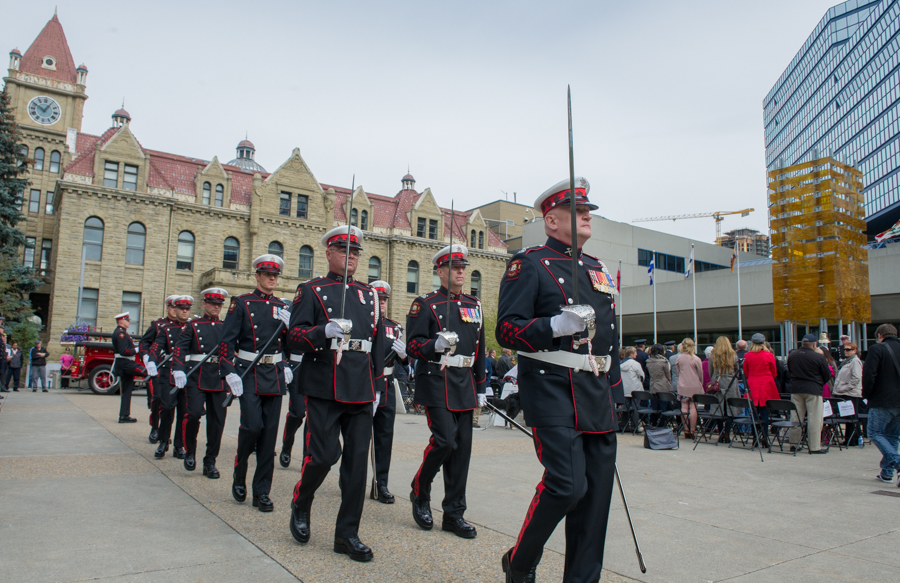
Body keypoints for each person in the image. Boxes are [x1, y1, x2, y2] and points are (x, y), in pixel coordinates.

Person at [496, 177, 621, 583]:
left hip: (596, 393)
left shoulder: (597, 269)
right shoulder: (529, 263)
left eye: (588, 210)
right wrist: (552, 325)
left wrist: (614, 391)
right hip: (552, 388)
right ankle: (520, 562)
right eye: (578, 210)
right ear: (551, 220)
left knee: (595, 501)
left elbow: (609, 337)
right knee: (567, 486)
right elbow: (507, 331)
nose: (587, 215)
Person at [286, 227, 385, 561]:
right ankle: (302, 500)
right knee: (324, 456)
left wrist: (378, 387)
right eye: (344, 251)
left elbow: (377, 344)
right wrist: (320, 332)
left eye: (355, 252)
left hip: (360, 387)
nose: (351, 257)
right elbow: (293, 338)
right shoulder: (311, 290)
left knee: (357, 467)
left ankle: (347, 535)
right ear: (328, 252)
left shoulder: (369, 295)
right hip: (325, 384)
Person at [407, 243, 486, 543]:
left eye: (463, 267)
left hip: (464, 383)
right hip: (436, 380)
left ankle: (454, 514)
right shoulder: (425, 304)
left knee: (461, 451)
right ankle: (420, 488)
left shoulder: (474, 305)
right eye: (454, 267)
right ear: (440, 271)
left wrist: (481, 387)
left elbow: (478, 351)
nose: (461, 272)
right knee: (444, 441)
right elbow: (413, 344)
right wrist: (433, 346)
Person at [171, 288, 229, 477]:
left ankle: (210, 461)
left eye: (219, 304)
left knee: (217, 422)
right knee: (194, 414)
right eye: (212, 303)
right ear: (204, 304)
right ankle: (190, 451)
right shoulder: (193, 325)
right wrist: (178, 368)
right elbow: (180, 347)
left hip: (219, 377)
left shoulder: (225, 326)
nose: (216, 307)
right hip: (196, 375)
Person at [370, 280, 407, 503]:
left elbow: (405, 363)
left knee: (384, 438)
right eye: (379, 299)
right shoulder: (362, 324)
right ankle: (351, 479)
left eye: (384, 300)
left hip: (387, 386)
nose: (382, 304)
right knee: (359, 438)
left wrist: (404, 355)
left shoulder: (395, 328)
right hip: (365, 385)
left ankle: (381, 482)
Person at [149, 296, 192, 457]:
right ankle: (163, 440)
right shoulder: (166, 328)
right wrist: (151, 360)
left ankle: (179, 445)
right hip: (169, 372)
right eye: (181, 308)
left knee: (184, 410)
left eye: (187, 309)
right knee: (167, 408)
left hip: (188, 372)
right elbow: (156, 346)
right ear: (175, 309)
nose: (184, 311)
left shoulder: (194, 327)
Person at [862, 324, 900, 484]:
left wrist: (866, 395)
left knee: (875, 433)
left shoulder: (877, 349)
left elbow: (869, 374)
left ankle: (897, 463)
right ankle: (886, 472)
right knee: (892, 436)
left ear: (879, 335)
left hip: (882, 399)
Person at [140, 296, 181, 444]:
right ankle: (155, 428)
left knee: (173, 403)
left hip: (176, 368)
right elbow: (144, 342)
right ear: (168, 308)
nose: (175, 311)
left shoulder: (185, 326)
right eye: (172, 307)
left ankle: (168, 434)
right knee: (157, 398)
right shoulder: (158, 325)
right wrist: (146, 358)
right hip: (158, 367)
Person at [787, 334, 831, 454]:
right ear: (814, 344)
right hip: (813, 388)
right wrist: (819, 382)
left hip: (796, 388)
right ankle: (814, 446)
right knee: (814, 418)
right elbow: (827, 374)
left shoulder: (792, 355)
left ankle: (793, 444)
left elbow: (790, 370)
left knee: (796, 417)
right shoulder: (818, 357)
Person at [111, 313, 150, 423]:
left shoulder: (122, 332)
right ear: (121, 321)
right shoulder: (120, 334)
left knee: (127, 391)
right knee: (148, 373)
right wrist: (137, 350)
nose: (129, 321)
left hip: (125, 362)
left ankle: (124, 415)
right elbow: (124, 351)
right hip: (125, 363)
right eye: (127, 320)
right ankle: (152, 400)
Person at [742, 333, 779, 445]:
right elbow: (774, 372)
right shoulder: (768, 355)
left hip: (753, 384)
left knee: (754, 413)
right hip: (766, 384)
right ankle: (765, 437)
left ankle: (755, 438)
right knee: (765, 412)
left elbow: (746, 371)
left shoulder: (748, 355)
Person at [709, 336, 740, 443]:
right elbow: (737, 370)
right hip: (731, 382)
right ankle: (727, 433)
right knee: (730, 409)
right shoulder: (733, 355)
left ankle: (721, 432)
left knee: (719, 408)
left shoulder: (713, 355)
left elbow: (710, 371)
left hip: (718, 381)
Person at [833, 341, 865, 446]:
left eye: (848, 349)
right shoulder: (847, 361)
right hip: (845, 392)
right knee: (848, 416)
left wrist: (846, 387)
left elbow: (856, 377)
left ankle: (851, 439)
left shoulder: (855, 361)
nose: (846, 351)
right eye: (845, 349)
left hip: (851, 393)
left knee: (851, 417)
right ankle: (852, 439)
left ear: (855, 351)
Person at [676, 338, 703, 439]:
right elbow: (700, 373)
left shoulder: (679, 358)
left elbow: (678, 372)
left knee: (684, 406)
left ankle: (686, 429)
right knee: (693, 407)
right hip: (694, 384)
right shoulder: (696, 359)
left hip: (682, 384)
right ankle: (692, 429)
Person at [619, 346, 644, 431]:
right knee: (635, 408)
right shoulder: (636, 364)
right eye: (635, 352)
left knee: (625, 409)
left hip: (624, 389)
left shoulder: (620, 364)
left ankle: (624, 426)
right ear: (631, 354)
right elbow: (642, 376)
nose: (637, 354)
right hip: (635, 389)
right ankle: (634, 427)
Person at [646, 343, 671, 426]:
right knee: (663, 406)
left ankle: (653, 423)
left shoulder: (648, 362)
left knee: (654, 406)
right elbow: (668, 375)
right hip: (663, 385)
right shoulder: (664, 361)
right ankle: (662, 423)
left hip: (653, 384)